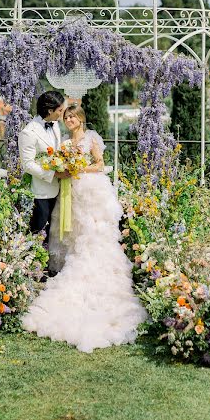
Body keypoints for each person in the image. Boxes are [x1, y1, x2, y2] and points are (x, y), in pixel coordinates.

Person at [22, 104, 146, 353]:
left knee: (94, 232)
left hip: (91, 189)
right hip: (71, 192)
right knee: (73, 234)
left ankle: (99, 272)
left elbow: (99, 164)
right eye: (65, 116)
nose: (68, 120)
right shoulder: (64, 143)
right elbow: (59, 166)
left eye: (72, 117)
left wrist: (79, 168)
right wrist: (65, 169)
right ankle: (71, 266)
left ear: (80, 119)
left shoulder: (91, 138)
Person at [18, 91, 66, 246]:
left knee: (54, 231)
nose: (62, 114)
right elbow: (28, 164)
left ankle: (49, 264)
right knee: (39, 232)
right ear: (50, 111)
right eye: (59, 110)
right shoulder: (29, 132)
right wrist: (54, 174)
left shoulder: (56, 125)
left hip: (59, 189)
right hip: (41, 191)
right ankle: (33, 266)